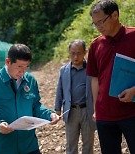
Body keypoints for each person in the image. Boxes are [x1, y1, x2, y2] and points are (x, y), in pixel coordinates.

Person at [0, 44, 59, 154]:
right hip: (2, 147)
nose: (23, 71)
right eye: (19, 66)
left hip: (29, 146)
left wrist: (49, 114)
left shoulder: (31, 81)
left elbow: (35, 105)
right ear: (8, 62)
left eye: (26, 67)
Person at [86, 0, 135, 154]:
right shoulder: (95, 45)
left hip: (132, 112)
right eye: (95, 23)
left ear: (115, 15)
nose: (99, 27)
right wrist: (96, 109)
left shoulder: (133, 36)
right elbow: (94, 79)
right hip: (105, 115)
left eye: (101, 21)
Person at [55, 40, 96, 154]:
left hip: (87, 111)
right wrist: (57, 109)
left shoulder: (91, 69)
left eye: (79, 53)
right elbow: (60, 90)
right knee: (71, 144)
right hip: (71, 111)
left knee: (88, 144)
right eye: (73, 53)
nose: (76, 56)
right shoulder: (64, 70)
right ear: (69, 53)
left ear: (85, 53)